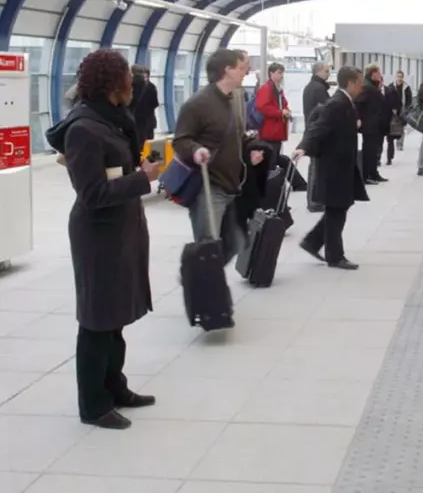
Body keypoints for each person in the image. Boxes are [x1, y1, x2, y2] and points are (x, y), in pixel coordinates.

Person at [44, 49, 162, 430]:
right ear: (114, 83)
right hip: (98, 234)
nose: (134, 84)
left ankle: (116, 386)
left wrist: (137, 174)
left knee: (115, 316)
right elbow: (92, 193)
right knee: (97, 320)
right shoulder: (83, 128)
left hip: (120, 228)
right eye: (128, 77)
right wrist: (142, 178)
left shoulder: (110, 119)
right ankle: (93, 405)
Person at [173, 49, 267, 264]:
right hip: (208, 186)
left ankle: (201, 273)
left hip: (230, 184)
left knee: (235, 241)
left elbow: (237, 136)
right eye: (241, 68)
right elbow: (181, 140)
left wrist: (251, 148)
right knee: (209, 244)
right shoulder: (197, 104)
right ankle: (201, 281)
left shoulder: (232, 101)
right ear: (227, 70)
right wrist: (196, 149)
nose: (246, 72)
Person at [292, 66, 367, 269]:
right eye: (359, 82)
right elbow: (319, 126)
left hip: (341, 164)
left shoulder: (345, 101)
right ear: (349, 83)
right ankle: (335, 256)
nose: (362, 86)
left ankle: (313, 241)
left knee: (339, 207)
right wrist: (303, 147)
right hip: (335, 167)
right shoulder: (337, 103)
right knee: (337, 209)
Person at [302, 62, 332, 212]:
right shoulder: (319, 88)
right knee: (316, 168)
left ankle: (315, 200)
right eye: (326, 71)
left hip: (312, 130)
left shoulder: (311, 86)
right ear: (318, 71)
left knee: (315, 167)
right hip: (317, 132)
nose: (328, 73)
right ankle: (314, 201)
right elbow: (325, 111)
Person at [354, 64, 388, 184]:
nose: (380, 75)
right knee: (369, 150)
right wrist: (359, 118)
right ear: (373, 74)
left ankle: (373, 173)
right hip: (370, 124)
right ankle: (367, 174)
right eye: (378, 73)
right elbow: (357, 103)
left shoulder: (372, 86)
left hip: (375, 124)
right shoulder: (367, 88)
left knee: (374, 150)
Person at [253, 63, 291, 159]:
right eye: (279, 73)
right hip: (269, 131)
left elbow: (283, 104)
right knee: (271, 159)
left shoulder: (278, 89)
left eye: (282, 73)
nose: (281, 75)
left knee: (275, 157)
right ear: (271, 73)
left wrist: (286, 110)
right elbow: (262, 107)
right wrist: (280, 112)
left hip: (276, 130)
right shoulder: (266, 88)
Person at [384, 69, 413, 164]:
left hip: (402, 109)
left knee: (401, 126)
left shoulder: (406, 87)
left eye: (401, 76)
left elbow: (409, 99)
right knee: (392, 128)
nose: (399, 78)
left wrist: (407, 109)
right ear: (395, 77)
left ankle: (400, 143)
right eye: (398, 76)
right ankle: (392, 147)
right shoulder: (391, 87)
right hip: (392, 111)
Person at [128, 65, 160, 142]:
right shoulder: (152, 87)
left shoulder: (130, 86)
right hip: (148, 120)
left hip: (135, 119)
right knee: (148, 143)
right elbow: (155, 103)